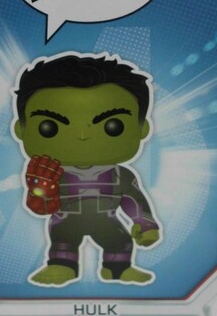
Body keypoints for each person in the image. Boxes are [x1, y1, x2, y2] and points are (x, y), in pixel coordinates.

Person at [13, 53, 161, 286]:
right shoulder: (51, 172)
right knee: (63, 242)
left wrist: (145, 224)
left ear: (142, 129)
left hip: (108, 222)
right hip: (65, 221)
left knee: (120, 242)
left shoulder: (121, 175)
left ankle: (117, 268)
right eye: (49, 127)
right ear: (20, 130)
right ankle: (61, 265)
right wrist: (39, 192)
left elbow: (134, 200)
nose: (82, 136)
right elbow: (40, 205)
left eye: (113, 126)